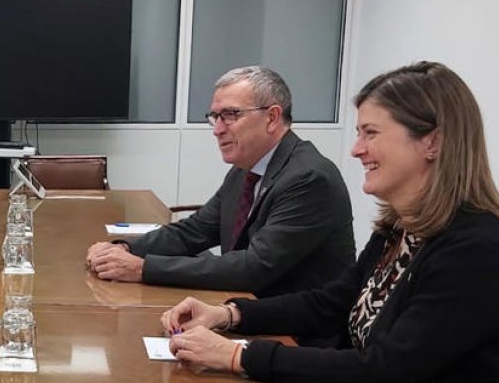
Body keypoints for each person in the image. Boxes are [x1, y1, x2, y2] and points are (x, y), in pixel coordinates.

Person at [162, 62, 499, 383]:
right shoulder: (402, 227)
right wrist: (229, 315)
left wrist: (237, 356)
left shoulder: (476, 249)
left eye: (370, 133)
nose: (356, 150)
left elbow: (380, 371)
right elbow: (332, 302)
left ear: (432, 142)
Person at [86, 66, 354, 301]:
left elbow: (254, 267)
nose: (217, 130)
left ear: (272, 118)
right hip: (244, 309)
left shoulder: (309, 178)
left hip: (294, 331)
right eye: (215, 117)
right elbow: (195, 231)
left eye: (230, 115)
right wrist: (125, 248)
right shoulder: (245, 170)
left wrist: (142, 268)